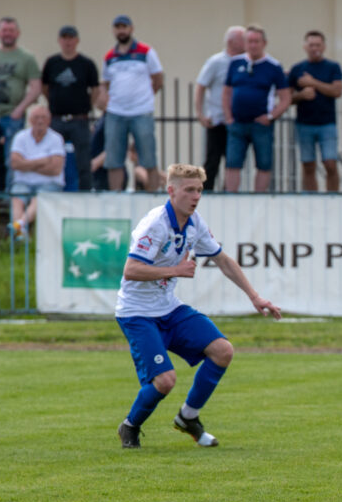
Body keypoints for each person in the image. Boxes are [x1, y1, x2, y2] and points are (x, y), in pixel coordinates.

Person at [114, 163, 281, 449]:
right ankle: (130, 426)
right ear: (171, 191)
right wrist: (175, 271)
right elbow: (131, 270)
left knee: (222, 350)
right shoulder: (155, 224)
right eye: (189, 190)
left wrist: (254, 297)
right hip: (137, 313)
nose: (196, 197)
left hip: (169, 308)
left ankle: (188, 417)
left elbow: (223, 260)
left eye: (200, 190)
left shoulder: (194, 223)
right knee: (165, 381)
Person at [0, 17, 42, 187]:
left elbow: (36, 87)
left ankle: (10, 195)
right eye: (4, 30)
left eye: (11, 30)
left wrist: (20, 109)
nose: (7, 34)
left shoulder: (26, 58)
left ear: (17, 33)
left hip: (12, 116)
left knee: (12, 159)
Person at [222, 24, 291, 193]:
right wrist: (228, 117)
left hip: (261, 124)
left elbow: (285, 98)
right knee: (232, 163)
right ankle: (231, 196)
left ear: (264, 43)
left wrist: (271, 116)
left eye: (256, 41)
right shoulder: (235, 63)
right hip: (237, 123)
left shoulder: (274, 66)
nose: (253, 45)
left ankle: (259, 197)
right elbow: (227, 92)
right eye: (249, 41)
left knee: (264, 163)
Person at [99, 15, 164, 191]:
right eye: (118, 27)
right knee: (114, 159)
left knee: (148, 158)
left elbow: (158, 79)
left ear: (131, 29)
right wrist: (107, 100)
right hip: (116, 112)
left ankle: (152, 196)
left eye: (124, 27)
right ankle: (116, 195)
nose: (121, 31)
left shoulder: (146, 51)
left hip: (141, 112)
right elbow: (105, 83)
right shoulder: (109, 56)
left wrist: (144, 98)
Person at [42, 25, 100, 191]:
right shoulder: (52, 63)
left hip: (79, 119)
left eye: (71, 38)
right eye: (64, 38)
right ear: (59, 41)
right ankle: (54, 190)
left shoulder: (86, 64)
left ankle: (85, 193)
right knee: (53, 157)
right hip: (57, 119)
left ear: (77, 41)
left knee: (83, 160)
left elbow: (95, 90)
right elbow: (45, 87)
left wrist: (85, 106)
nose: (68, 42)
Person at [288, 30, 342, 192]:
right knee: (308, 165)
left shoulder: (333, 67)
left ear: (324, 46)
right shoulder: (297, 69)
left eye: (318, 45)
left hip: (327, 124)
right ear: (305, 47)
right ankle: (311, 198)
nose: (314, 48)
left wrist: (313, 83)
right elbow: (287, 98)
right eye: (311, 45)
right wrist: (301, 95)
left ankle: (333, 197)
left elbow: (337, 91)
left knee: (330, 163)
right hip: (304, 124)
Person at [194, 26, 245, 191]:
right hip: (217, 120)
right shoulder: (216, 62)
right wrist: (200, 114)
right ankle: (206, 192)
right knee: (213, 160)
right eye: (243, 39)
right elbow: (201, 86)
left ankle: (228, 193)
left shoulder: (246, 62)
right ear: (231, 42)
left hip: (237, 120)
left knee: (233, 163)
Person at [8, 105, 65, 240]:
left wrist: (26, 164)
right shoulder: (20, 137)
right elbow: (15, 164)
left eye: (43, 117)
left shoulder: (56, 138)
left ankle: (19, 225)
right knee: (17, 199)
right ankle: (20, 234)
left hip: (49, 183)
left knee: (38, 198)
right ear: (30, 120)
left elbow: (55, 169)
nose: (40, 121)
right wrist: (43, 161)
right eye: (36, 117)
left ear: (49, 120)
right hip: (23, 182)